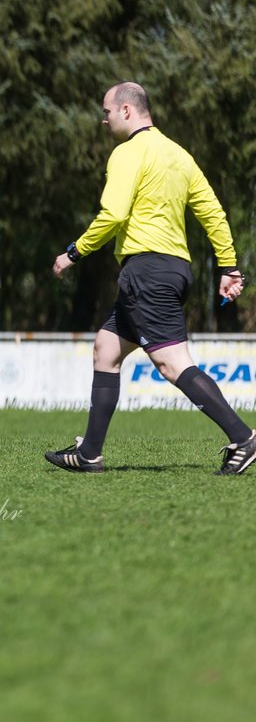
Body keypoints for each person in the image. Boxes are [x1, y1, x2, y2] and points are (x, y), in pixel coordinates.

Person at [46, 81, 253, 475]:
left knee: (172, 363)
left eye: (106, 112)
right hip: (172, 269)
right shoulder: (179, 155)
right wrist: (229, 267)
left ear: (126, 110)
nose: (103, 119)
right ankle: (90, 453)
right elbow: (213, 213)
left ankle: (244, 438)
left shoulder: (127, 153)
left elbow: (114, 214)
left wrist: (74, 253)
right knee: (106, 349)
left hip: (147, 272)